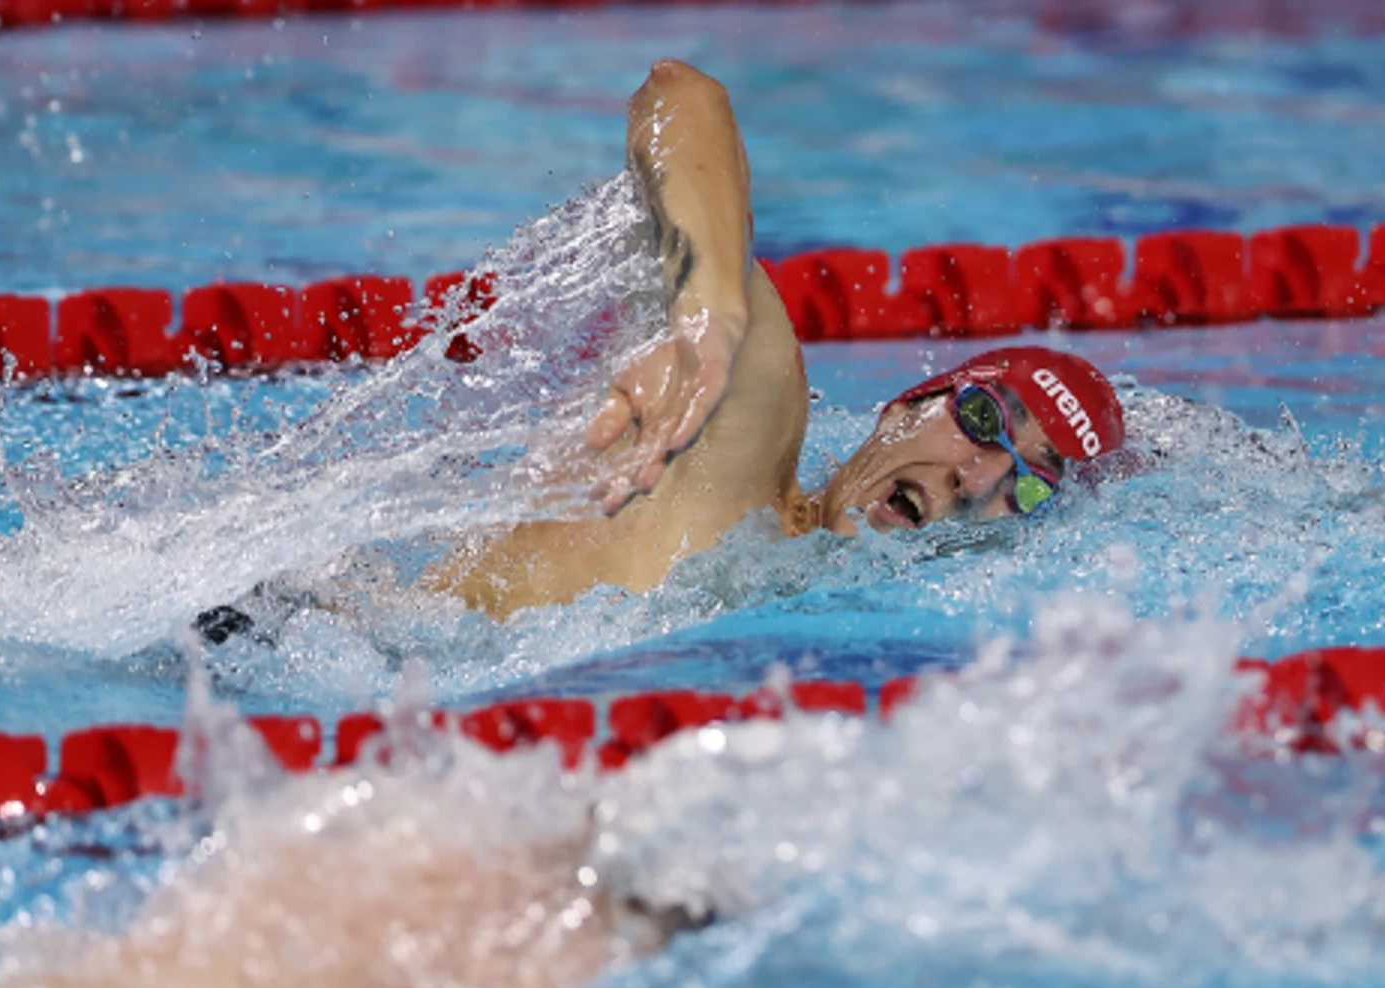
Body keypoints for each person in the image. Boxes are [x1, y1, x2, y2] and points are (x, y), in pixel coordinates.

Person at [427, 60, 1126, 619]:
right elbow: (680, 97)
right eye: (984, 419)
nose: (975, 479)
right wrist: (712, 310)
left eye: (1029, 491)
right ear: (908, 404)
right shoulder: (733, 450)